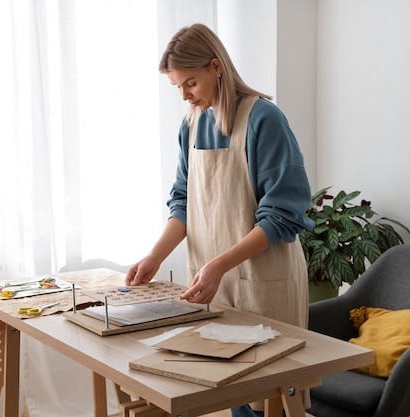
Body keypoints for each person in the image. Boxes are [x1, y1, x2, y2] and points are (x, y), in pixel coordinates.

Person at [125, 23, 314, 417]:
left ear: (217, 67)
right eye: (177, 86)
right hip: (215, 282)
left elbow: (282, 215)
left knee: (272, 401)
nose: (184, 95)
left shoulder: (265, 119)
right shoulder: (192, 125)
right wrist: (155, 257)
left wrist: (218, 266)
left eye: (190, 83)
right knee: (233, 395)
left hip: (263, 283)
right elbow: (183, 203)